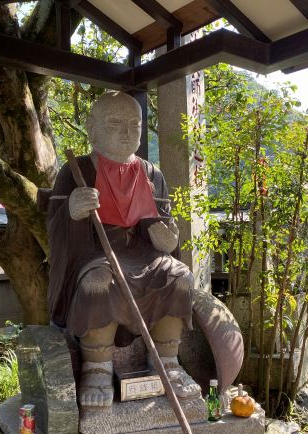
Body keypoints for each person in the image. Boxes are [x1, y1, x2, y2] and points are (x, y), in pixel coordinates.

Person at [47, 91, 201, 408]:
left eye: (134, 124)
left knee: (180, 276)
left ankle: (167, 360)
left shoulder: (151, 173)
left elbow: (166, 226)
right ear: (91, 127)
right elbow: (56, 228)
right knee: (97, 283)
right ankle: (97, 366)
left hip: (146, 256)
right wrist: (73, 211)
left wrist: (167, 240)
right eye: (115, 123)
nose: (125, 132)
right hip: (96, 254)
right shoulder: (75, 171)